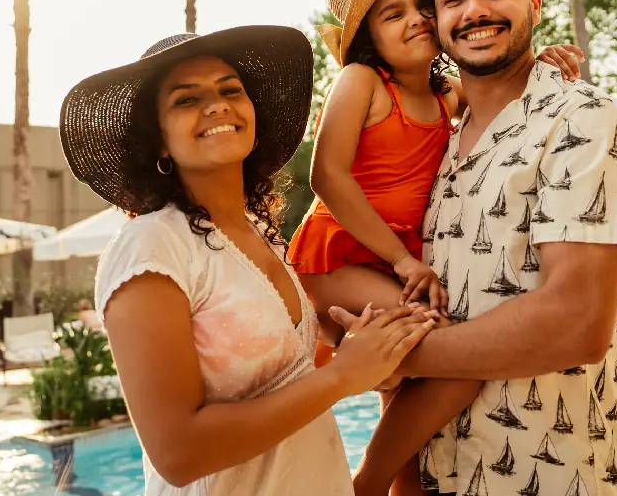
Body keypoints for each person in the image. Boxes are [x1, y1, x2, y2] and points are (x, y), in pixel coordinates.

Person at [332, 0, 617, 496]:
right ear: (439, 22)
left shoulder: (584, 120)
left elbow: (577, 324)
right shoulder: (442, 139)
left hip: (545, 477)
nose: (474, 10)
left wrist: (387, 357)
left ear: (532, 1)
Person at [59, 25, 437, 496]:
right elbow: (178, 453)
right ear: (158, 141)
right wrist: (343, 377)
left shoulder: (261, 236)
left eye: (229, 90)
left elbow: (284, 383)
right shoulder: (152, 245)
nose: (216, 104)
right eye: (185, 99)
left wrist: (363, 353)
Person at [287, 0, 583, 495]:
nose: (416, 20)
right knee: (458, 354)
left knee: (409, 416)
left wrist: (539, 62)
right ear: (367, 38)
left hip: (398, 261)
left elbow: (504, 87)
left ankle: (397, 485)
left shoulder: (448, 95)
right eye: (391, 14)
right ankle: (363, 485)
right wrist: (401, 260)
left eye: (423, 6)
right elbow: (327, 177)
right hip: (337, 258)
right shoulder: (363, 83)